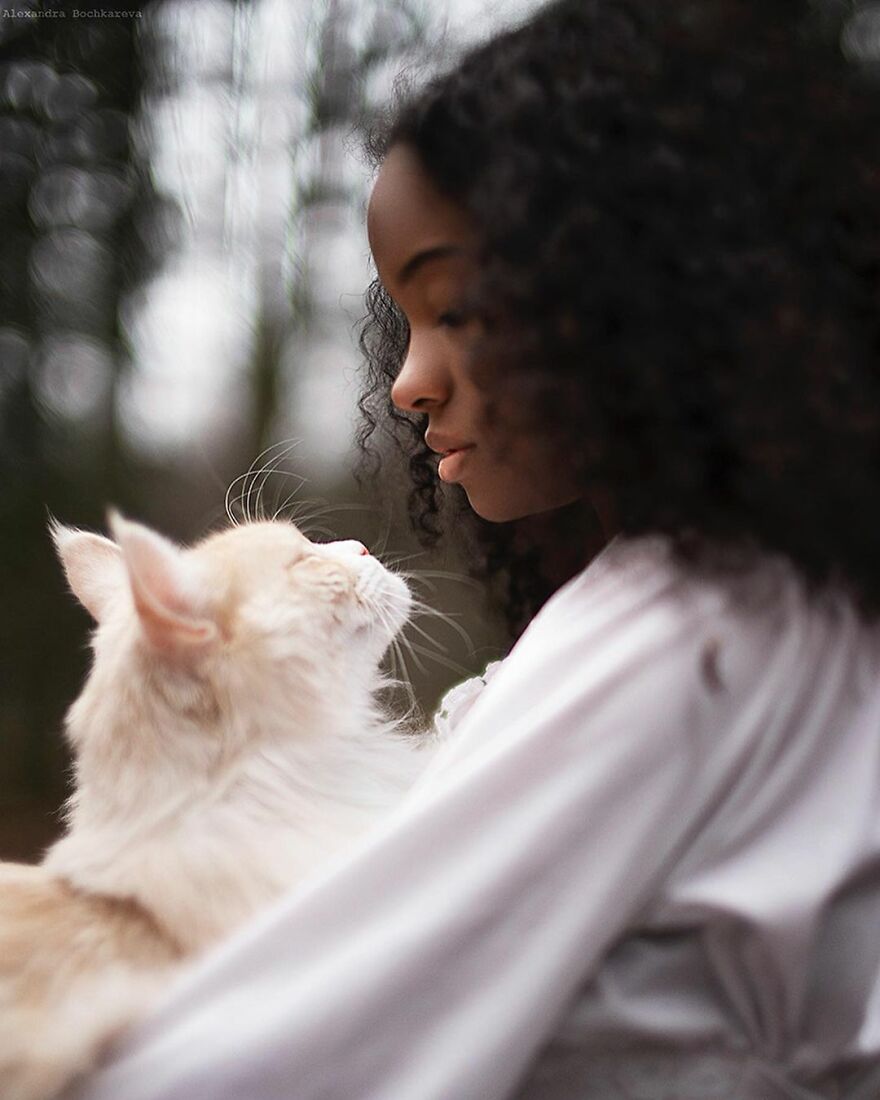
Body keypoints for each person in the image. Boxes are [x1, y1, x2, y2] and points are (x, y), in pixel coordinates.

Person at [67, 1, 880, 1097]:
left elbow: (284, 1050)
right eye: (402, 319)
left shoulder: (683, 637)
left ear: (638, 291)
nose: (406, 381)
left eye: (457, 310)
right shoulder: (792, 601)